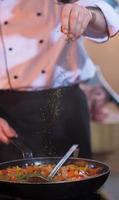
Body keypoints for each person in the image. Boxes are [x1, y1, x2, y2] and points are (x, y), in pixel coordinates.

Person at [0, 0, 118, 162]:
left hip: (66, 107)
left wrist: (88, 14)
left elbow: (108, 12)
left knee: (75, 179)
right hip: (6, 112)